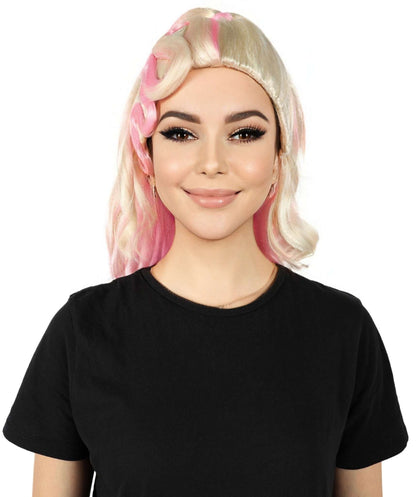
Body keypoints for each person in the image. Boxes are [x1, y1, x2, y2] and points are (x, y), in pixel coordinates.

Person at [2, 7, 409, 497]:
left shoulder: (343, 331)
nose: (212, 162)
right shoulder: (83, 331)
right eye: (181, 133)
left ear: (279, 155)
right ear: (147, 156)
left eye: (244, 133)